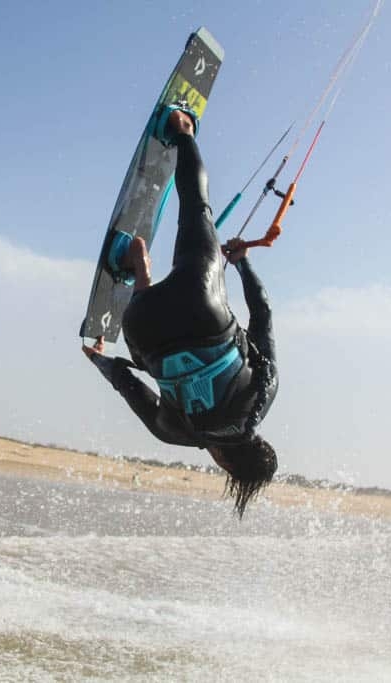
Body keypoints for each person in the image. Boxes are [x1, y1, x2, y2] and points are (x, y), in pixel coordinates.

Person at [82, 107, 279, 517]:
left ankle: (184, 132)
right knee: (146, 351)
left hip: (201, 305)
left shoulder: (263, 396)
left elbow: (262, 314)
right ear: (225, 463)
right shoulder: (177, 435)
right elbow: (128, 385)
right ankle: (138, 272)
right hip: (144, 329)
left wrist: (241, 262)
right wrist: (100, 358)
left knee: (197, 208)